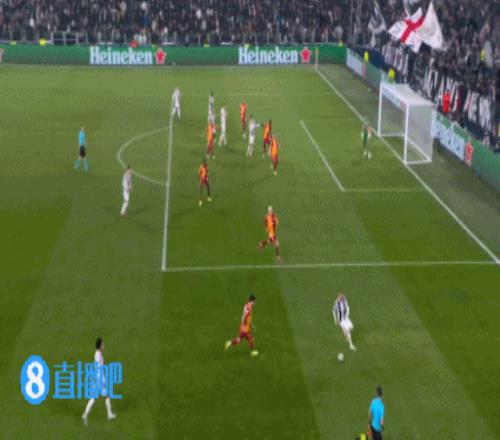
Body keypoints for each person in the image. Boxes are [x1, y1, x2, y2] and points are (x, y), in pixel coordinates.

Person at [82, 337, 117, 426]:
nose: (104, 345)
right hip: (99, 379)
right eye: (103, 344)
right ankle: (109, 414)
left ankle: (85, 415)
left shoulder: (98, 353)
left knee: (94, 398)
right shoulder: (98, 355)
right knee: (106, 396)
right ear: (100, 345)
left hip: (96, 378)